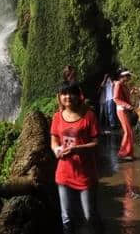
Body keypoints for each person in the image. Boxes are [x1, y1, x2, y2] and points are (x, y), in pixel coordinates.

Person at [51, 82, 103, 234]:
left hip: (85, 174)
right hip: (64, 173)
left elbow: (96, 143)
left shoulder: (89, 116)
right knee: (66, 218)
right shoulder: (57, 117)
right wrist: (56, 149)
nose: (67, 97)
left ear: (78, 95)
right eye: (64, 93)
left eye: (71, 93)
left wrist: (76, 149)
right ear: (59, 97)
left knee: (90, 215)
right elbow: (54, 138)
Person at [114, 69, 135, 161]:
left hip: (125, 110)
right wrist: (128, 106)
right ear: (122, 76)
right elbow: (116, 99)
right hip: (122, 110)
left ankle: (128, 152)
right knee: (128, 131)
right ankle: (123, 153)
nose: (129, 77)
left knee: (129, 131)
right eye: (127, 75)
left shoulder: (124, 85)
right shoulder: (118, 84)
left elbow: (124, 97)